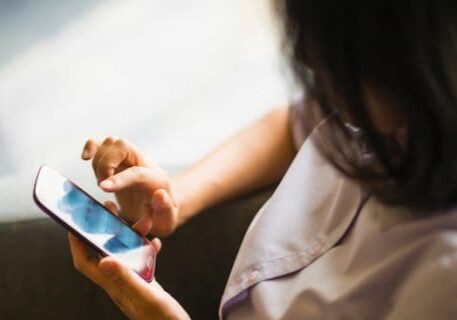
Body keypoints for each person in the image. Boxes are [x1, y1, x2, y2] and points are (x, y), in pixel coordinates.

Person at [67, 0, 457, 319]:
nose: (306, 57)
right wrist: (175, 197)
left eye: (331, 46)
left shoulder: (443, 281)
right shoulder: (401, 105)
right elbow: (301, 123)